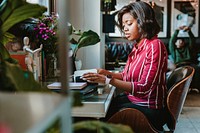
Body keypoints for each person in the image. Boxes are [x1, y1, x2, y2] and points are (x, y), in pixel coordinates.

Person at [82, 1, 168, 131]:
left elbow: (144, 87)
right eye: (123, 25)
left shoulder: (155, 45)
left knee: (96, 120)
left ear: (143, 22)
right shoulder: (137, 47)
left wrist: (107, 80)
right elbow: (126, 76)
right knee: (97, 113)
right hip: (134, 101)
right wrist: (105, 73)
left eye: (129, 23)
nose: (125, 29)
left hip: (148, 109)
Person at [169, 26, 200, 92]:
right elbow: (171, 41)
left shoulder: (188, 48)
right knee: (181, 72)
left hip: (190, 64)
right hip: (179, 64)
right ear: (175, 43)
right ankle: (181, 89)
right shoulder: (174, 50)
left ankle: (194, 88)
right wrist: (177, 30)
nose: (180, 42)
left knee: (197, 69)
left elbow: (192, 40)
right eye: (178, 41)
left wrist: (189, 31)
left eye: (182, 41)